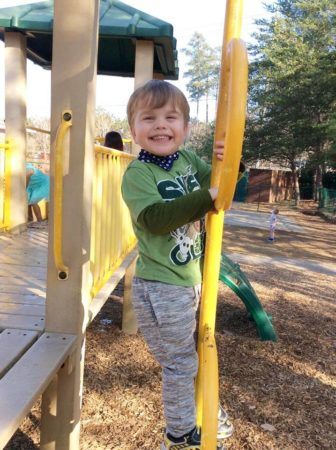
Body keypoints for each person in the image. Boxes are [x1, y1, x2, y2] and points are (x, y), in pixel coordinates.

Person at [121, 80, 241, 449]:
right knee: (180, 363)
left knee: (193, 354)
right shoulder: (138, 174)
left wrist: (230, 158)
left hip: (190, 279)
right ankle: (180, 435)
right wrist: (205, 197)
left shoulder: (189, 161)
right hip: (160, 285)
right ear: (134, 129)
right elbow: (156, 219)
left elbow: (228, 188)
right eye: (149, 118)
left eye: (170, 117)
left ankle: (206, 411)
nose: (160, 125)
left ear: (185, 128)